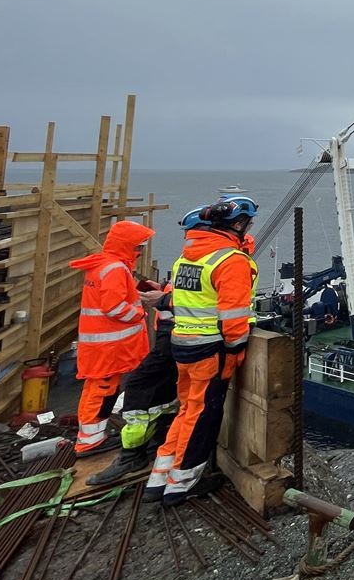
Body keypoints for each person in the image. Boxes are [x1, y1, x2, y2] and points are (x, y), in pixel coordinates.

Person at [146, 196, 259, 505]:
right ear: (236, 225)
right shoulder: (230, 261)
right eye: (245, 225)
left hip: (182, 344)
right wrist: (236, 351)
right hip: (211, 351)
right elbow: (233, 317)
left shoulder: (186, 260)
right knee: (203, 416)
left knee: (186, 410)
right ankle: (182, 484)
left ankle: (159, 478)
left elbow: (179, 303)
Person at [87, 205, 206, 486]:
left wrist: (155, 303)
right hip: (174, 338)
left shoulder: (201, 260)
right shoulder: (200, 260)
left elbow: (199, 299)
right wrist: (164, 290)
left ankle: (133, 453)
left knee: (139, 390)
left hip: (177, 338)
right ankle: (156, 441)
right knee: (165, 394)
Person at [69, 221, 156, 456]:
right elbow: (114, 306)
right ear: (126, 246)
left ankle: (91, 436)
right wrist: (139, 312)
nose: (139, 252)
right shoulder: (116, 268)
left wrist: (136, 294)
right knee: (102, 392)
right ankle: (89, 441)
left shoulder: (103, 265)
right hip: (109, 347)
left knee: (96, 390)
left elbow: (111, 294)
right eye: (137, 247)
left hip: (100, 345)